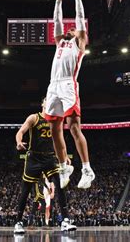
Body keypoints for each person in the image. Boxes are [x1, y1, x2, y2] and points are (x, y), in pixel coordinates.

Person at [45, 0, 95, 189]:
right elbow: (57, 22)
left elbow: (80, 18)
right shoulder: (60, 42)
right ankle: (64, 165)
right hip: (52, 86)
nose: (71, 28)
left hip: (67, 86)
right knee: (54, 128)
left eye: (74, 29)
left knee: (74, 128)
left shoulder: (79, 44)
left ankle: (86, 169)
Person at [14, 99, 76, 234]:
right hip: (34, 157)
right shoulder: (34, 118)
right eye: (48, 101)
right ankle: (18, 222)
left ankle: (65, 220)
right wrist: (19, 142)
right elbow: (20, 132)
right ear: (42, 104)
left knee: (60, 185)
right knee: (25, 190)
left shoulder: (56, 120)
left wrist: (64, 156)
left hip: (49, 157)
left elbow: (60, 140)